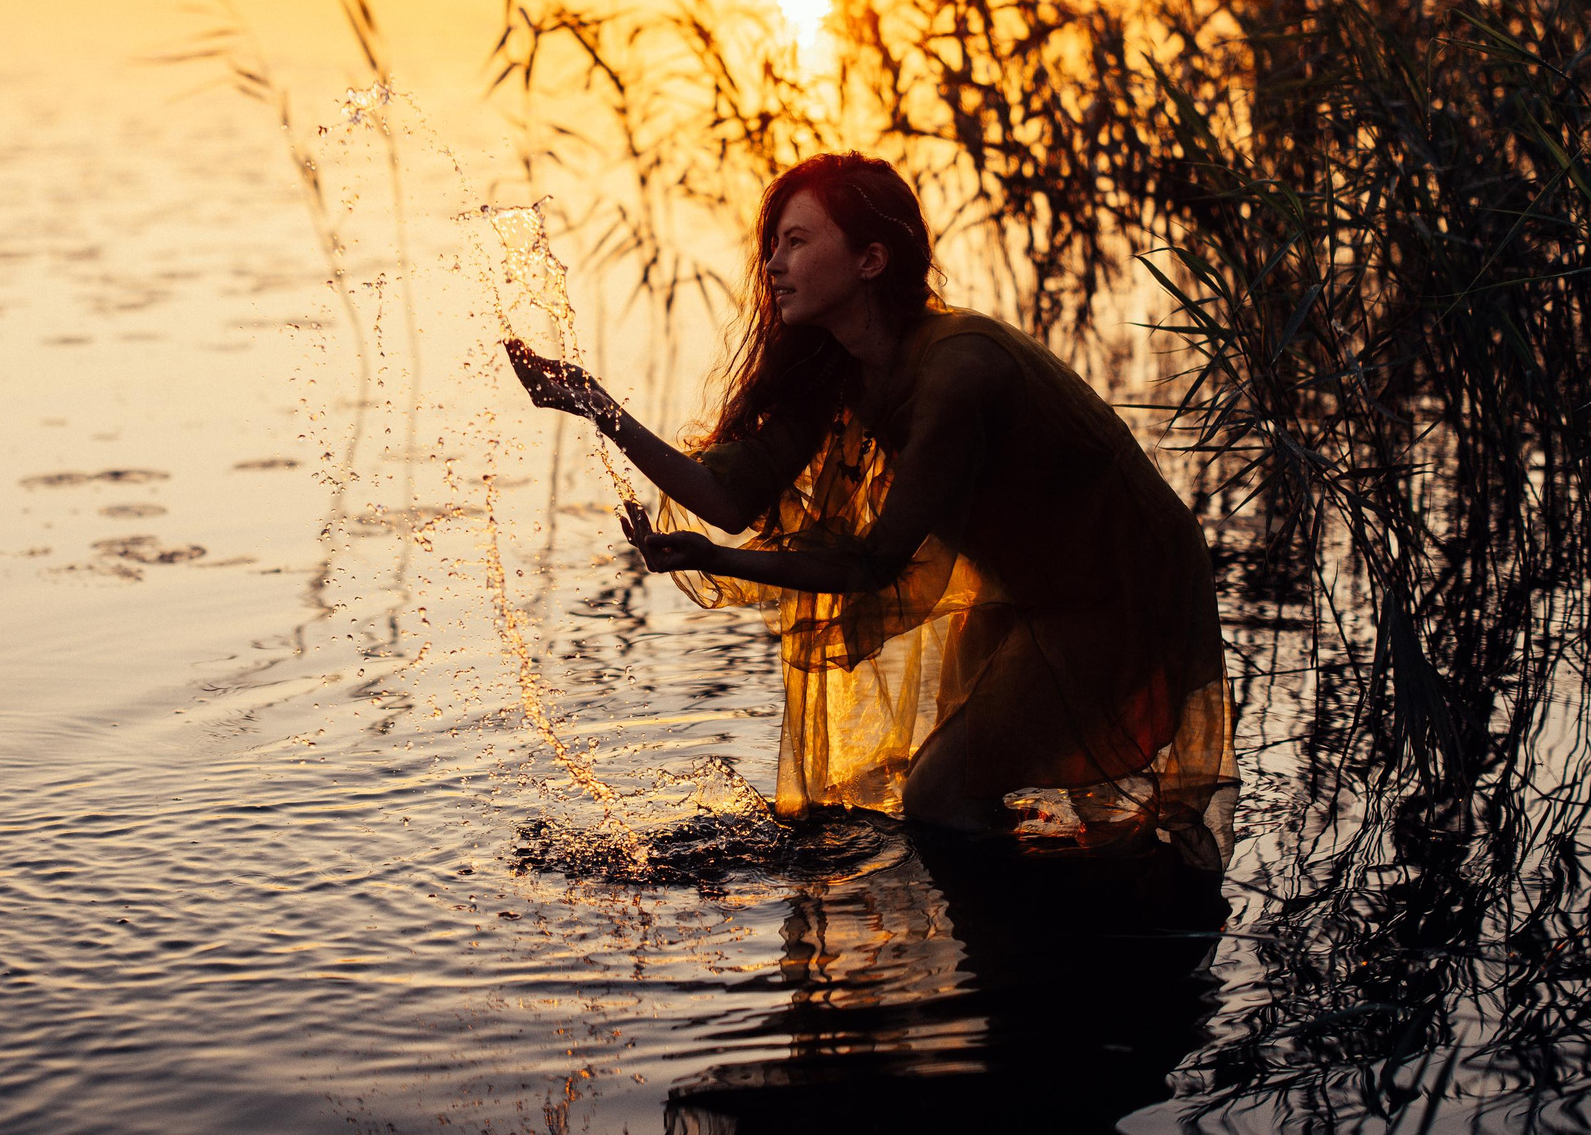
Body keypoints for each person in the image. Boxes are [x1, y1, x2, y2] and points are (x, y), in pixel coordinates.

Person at [506, 152, 1237, 865]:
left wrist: (714, 559)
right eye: (772, 246)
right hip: (1037, 594)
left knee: (938, 796)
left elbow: (877, 563)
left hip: (1122, 589)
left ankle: (1043, 942)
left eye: (796, 242)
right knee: (961, 789)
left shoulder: (960, 368)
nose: (773, 264)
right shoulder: (843, 366)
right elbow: (729, 498)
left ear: (871, 261)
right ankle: (1037, 937)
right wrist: (592, 401)